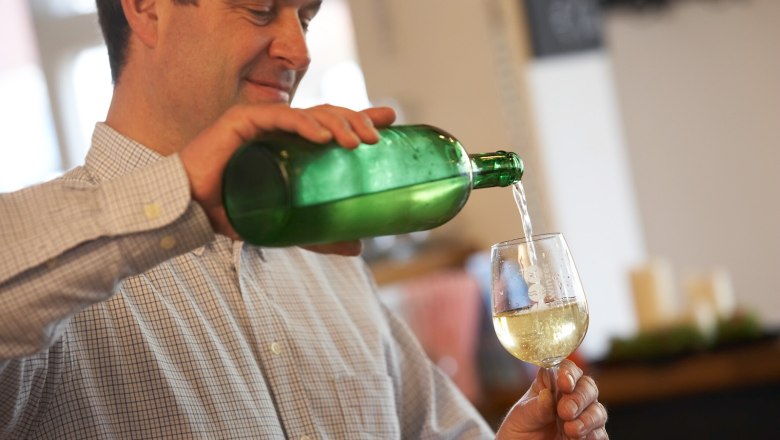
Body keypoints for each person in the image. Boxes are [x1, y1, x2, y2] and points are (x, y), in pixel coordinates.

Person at [0, 0, 608, 438]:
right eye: (262, 10)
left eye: (307, 15)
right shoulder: (51, 280)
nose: (299, 49)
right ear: (146, 8)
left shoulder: (325, 257)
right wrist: (180, 197)